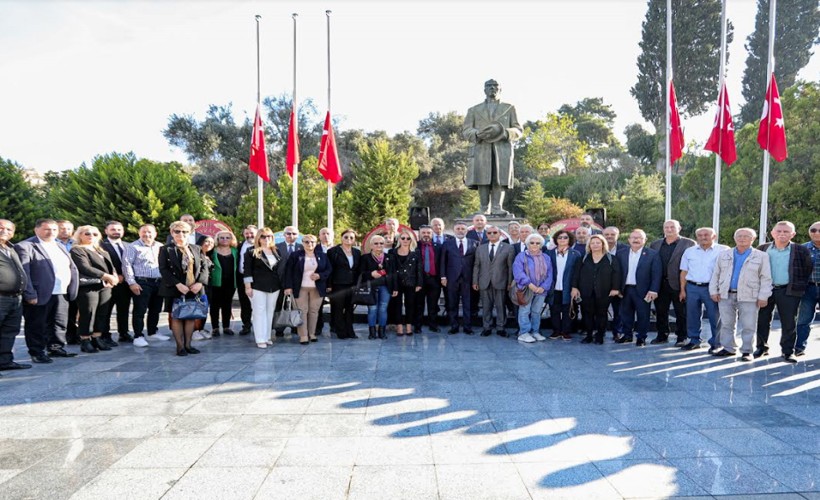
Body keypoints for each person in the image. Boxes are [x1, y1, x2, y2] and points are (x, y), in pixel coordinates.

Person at [15, 219, 80, 363]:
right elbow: (24, 272)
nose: (51, 232)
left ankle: (56, 347)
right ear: (36, 230)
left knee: (59, 322)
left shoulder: (59, 245)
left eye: (54, 229)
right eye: (47, 229)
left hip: (61, 291)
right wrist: (30, 293)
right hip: (39, 293)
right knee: (37, 324)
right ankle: (37, 351)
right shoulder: (26, 246)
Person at [709, 228, 772, 361]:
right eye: (739, 236)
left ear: (753, 239)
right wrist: (713, 291)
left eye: (746, 236)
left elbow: (766, 277)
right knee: (727, 324)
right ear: (734, 238)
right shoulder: (724, 254)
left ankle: (747, 351)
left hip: (750, 295)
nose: (742, 238)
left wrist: (763, 296)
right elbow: (716, 273)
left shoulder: (761, 256)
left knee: (748, 325)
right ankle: (728, 348)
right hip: (726, 294)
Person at [462, 79, 523, 216]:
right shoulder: (474, 110)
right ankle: (484, 208)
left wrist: (505, 133)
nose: (492, 88)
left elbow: (518, 130)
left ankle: (497, 207)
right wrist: (477, 133)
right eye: (489, 86)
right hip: (481, 148)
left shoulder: (509, 108)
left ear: (500, 89)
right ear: (484, 90)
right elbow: (466, 130)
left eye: (495, 86)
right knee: (482, 178)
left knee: (499, 178)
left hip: (502, 148)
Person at [755, 221, 812, 363]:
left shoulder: (800, 250)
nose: (782, 234)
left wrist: (799, 287)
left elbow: (807, 269)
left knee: (789, 323)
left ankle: (787, 352)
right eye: (779, 231)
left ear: (792, 234)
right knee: (762, 320)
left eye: (786, 231)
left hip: (788, 290)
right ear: (772, 233)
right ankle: (761, 347)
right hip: (765, 290)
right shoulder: (762, 248)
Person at [159, 221, 209, 356]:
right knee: (176, 317)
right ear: (172, 233)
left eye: (184, 232)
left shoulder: (197, 248)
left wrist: (200, 283)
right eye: (177, 231)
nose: (181, 234)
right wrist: (178, 284)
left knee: (190, 317)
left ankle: (188, 345)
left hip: (194, 288)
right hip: (175, 288)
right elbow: (163, 269)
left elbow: (205, 267)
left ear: (190, 233)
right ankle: (180, 346)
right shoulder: (166, 249)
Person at [70, 225, 118, 353]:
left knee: (102, 313)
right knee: (88, 313)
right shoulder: (77, 250)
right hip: (88, 287)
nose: (91, 236)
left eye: (95, 234)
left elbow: (110, 266)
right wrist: (106, 276)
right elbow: (85, 267)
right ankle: (85, 340)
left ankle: (97, 338)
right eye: (87, 233)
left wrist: (113, 276)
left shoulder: (101, 250)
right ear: (79, 235)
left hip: (105, 286)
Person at [678, 227, 728, 351]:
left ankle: (716, 343)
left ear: (714, 236)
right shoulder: (689, 251)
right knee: (692, 316)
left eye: (706, 234)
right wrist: (682, 290)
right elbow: (684, 271)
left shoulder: (723, 250)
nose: (703, 237)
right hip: (692, 287)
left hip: (712, 288)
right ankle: (694, 340)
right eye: (700, 235)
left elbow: (726, 271)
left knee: (715, 316)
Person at [649, 220, 695, 344]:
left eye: (672, 227)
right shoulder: (655, 244)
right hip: (660, 284)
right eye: (666, 227)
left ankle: (681, 337)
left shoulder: (689, 243)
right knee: (661, 311)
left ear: (679, 228)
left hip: (679, 284)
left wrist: (683, 288)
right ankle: (662, 335)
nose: (669, 229)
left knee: (681, 312)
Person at [122, 224, 169, 347]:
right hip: (142, 282)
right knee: (140, 310)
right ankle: (138, 335)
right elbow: (127, 265)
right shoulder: (133, 247)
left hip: (158, 282)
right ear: (139, 233)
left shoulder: (160, 246)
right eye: (144, 232)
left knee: (156, 309)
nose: (147, 235)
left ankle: (153, 332)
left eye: (149, 232)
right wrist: (132, 282)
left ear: (155, 234)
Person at [571, 234, 621, 344]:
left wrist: (615, 288)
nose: (595, 245)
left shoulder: (611, 259)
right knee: (587, 314)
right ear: (589, 245)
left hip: (604, 291)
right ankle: (588, 335)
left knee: (601, 314)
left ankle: (599, 336)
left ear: (603, 244)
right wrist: (574, 288)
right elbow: (576, 274)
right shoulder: (583, 258)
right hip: (586, 291)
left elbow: (616, 274)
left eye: (598, 243)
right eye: (592, 243)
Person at [615, 229, 662, 347]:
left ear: (645, 240)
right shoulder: (621, 253)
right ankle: (627, 335)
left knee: (643, 315)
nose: (636, 240)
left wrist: (653, 290)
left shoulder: (653, 254)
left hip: (643, 290)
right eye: (633, 237)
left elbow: (656, 274)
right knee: (625, 314)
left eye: (639, 238)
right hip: (625, 289)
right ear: (629, 240)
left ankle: (641, 337)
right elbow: (617, 272)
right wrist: (616, 288)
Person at [284, 234, 331, 345]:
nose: (310, 244)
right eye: (307, 242)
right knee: (302, 312)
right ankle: (303, 335)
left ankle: (312, 334)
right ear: (302, 243)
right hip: (300, 288)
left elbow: (329, 270)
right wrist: (288, 287)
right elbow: (288, 271)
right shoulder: (295, 255)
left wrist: (320, 275)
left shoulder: (322, 255)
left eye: (312, 242)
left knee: (314, 312)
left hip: (317, 288)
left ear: (316, 243)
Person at [243, 228, 282, 348]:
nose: (267, 239)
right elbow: (247, 271)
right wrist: (248, 287)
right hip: (258, 286)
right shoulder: (251, 252)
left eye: (269, 236)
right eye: (263, 236)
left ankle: (267, 336)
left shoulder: (276, 251)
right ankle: (260, 339)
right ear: (258, 238)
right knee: (259, 312)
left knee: (270, 311)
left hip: (274, 286)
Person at [473, 225, 514, 337]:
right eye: (489, 233)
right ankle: (487, 327)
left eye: (494, 232)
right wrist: (475, 281)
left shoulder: (508, 248)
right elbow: (477, 266)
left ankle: (501, 328)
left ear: (499, 234)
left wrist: (510, 282)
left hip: (501, 281)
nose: (492, 234)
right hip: (484, 282)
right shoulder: (480, 248)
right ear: (486, 235)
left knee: (501, 306)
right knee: (486, 307)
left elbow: (510, 267)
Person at [0, 219, 31, 371]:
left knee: (10, 331)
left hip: (15, 297)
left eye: (9, 229)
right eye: (1, 228)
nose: (5, 231)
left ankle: (5, 361)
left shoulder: (11, 248)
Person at [512, 234, 553, 343]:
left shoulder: (546, 257)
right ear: (527, 244)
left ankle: (535, 331)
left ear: (541, 245)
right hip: (526, 289)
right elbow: (518, 272)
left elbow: (550, 274)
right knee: (524, 311)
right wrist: (530, 284)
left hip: (541, 290)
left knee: (536, 312)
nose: (534, 245)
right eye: (532, 242)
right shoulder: (521, 256)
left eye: (537, 243)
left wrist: (543, 287)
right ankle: (524, 333)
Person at [439, 222, 478, 334]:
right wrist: (443, 277)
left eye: (463, 229)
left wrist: (475, 279)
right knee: (452, 303)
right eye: (458, 229)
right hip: (451, 279)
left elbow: (476, 263)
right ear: (454, 230)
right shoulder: (447, 244)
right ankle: (454, 326)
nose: (460, 231)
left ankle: (467, 327)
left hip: (468, 279)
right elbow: (443, 261)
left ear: (467, 231)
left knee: (468, 304)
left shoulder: (474, 243)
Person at [100, 221, 132, 344]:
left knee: (123, 309)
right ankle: (105, 335)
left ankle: (123, 333)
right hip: (109, 283)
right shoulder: (101, 245)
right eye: (113, 229)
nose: (116, 232)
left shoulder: (128, 245)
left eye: (119, 229)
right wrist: (113, 276)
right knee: (106, 310)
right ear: (106, 231)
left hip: (125, 283)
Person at [547, 230, 582, 341]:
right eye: (560, 237)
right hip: (554, 286)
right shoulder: (549, 253)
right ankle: (556, 331)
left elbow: (578, 273)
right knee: (554, 309)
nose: (562, 239)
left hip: (568, 286)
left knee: (568, 309)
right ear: (556, 240)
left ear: (569, 240)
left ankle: (566, 331)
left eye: (565, 237)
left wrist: (575, 287)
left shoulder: (575, 254)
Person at [327, 229, 361, 339]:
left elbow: (357, 269)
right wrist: (329, 285)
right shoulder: (333, 251)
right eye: (346, 237)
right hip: (338, 284)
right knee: (338, 308)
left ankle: (350, 331)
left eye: (351, 237)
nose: (348, 239)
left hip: (352, 284)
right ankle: (340, 332)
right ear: (341, 238)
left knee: (350, 308)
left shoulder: (356, 252)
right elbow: (329, 269)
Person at [359, 235, 395, 339]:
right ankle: (372, 332)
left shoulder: (389, 257)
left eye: (381, 243)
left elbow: (393, 274)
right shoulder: (365, 258)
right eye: (376, 243)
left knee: (383, 309)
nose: (379, 245)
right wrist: (371, 274)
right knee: (372, 309)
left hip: (385, 287)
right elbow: (360, 273)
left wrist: (395, 288)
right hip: (371, 287)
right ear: (371, 245)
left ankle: (382, 332)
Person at [389, 229, 424, 336]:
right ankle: (399, 326)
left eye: (408, 238)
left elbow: (419, 269)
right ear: (399, 239)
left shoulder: (416, 252)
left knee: (410, 304)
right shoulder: (392, 252)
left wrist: (419, 283)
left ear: (411, 240)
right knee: (397, 305)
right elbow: (391, 270)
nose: (405, 240)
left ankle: (409, 326)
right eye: (403, 238)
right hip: (397, 282)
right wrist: (393, 285)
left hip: (411, 282)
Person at [795, 221, 820, 356]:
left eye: (819, 230)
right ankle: (799, 348)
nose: (816, 233)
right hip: (807, 289)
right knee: (804, 320)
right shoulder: (802, 249)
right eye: (813, 230)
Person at [208, 230, 238, 336]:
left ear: (231, 239)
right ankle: (215, 328)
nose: (224, 240)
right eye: (222, 238)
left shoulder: (235, 251)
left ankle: (226, 327)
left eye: (227, 237)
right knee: (214, 305)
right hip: (216, 282)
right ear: (217, 239)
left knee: (227, 304)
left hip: (231, 282)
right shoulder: (212, 250)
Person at [274, 226, 302, 337]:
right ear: (284, 235)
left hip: (297, 283)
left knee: (296, 306)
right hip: (279, 282)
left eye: (294, 234)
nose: (291, 236)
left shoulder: (302, 247)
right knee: (279, 305)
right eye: (288, 234)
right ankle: (279, 328)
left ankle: (295, 327)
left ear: (298, 235)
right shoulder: (276, 247)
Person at [414, 225, 443, 333]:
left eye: (428, 233)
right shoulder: (414, 246)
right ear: (419, 234)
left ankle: (433, 325)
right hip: (419, 280)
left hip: (434, 280)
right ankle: (417, 326)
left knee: (433, 305)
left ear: (432, 234)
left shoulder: (439, 247)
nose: (426, 234)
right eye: (423, 232)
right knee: (418, 304)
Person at [56, 220, 79, 345]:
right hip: (60, 281)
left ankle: (73, 334)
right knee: (62, 311)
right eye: (62, 228)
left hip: (77, 281)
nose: (66, 231)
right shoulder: (52, 244)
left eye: (69, 229)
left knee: (75, 309)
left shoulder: (77, 243)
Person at [603, 226, 628, 337]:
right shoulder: (597, 247)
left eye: (612, 234)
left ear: (618, 235)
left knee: (619, 311)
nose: (609, 237)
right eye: (607, 234)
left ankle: (617, 332)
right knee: (600, 311)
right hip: (601, 285)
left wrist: (618, 287)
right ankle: (600, 332)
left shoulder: (626, 249)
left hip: (619, 286)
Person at [236, 225, 257, 335]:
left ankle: (261, 326)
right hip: (242, 278)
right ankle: (246, 325)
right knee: (244, 304)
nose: (249, 235)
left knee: (259, 304)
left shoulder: (260, 246)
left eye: (252, 233)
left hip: (257, 279)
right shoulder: (239, 246)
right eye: (247, 233)